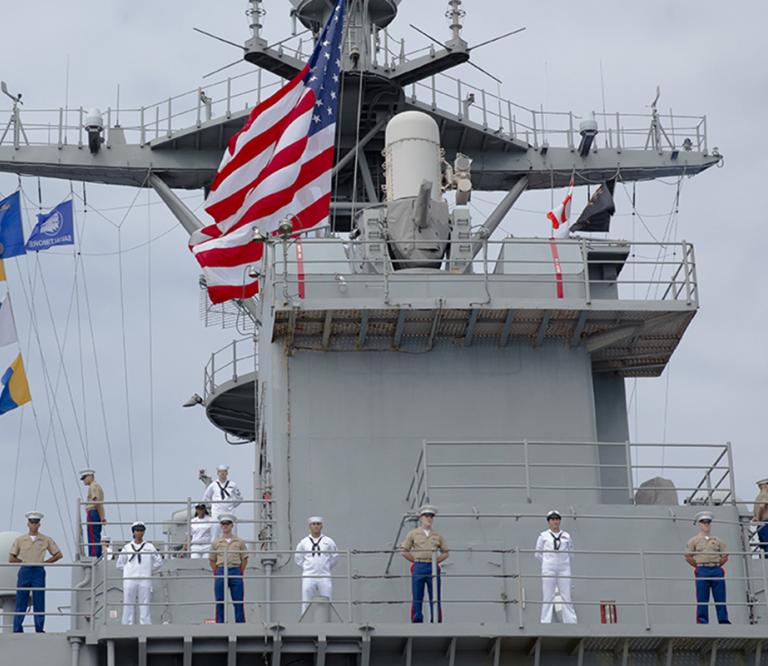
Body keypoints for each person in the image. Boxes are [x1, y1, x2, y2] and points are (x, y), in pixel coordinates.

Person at [8, 511, 62, 633]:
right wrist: (23, 561)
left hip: (38, 570)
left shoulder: (45, 539)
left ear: (39, 524)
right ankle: (17, 628)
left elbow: (58, 554)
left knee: (39, 600)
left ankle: (39, 628)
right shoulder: (20, 540)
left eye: (36, 522)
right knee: (21, 600)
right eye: (31, 522)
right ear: (28, 524)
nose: (33, 525)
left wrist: (46, 563)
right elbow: (11, 558)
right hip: (25, 570)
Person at [400, 504, 449, 623]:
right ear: (421, 518)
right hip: (419, 566)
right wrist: (415, 560)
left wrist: (436, 561)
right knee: (417, 595)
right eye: (426, 516)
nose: (429, 518)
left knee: (435, 596)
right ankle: (417, 619)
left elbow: (445, 552)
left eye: (431, 516)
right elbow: (403, 551)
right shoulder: (413, 534)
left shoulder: (437, 535)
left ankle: (436, 619)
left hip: (432, 567)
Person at [684, 511, 730, 624]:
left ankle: (723, 620)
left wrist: (718, 565)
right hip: (702, 570)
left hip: (716, 570)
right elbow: (688, 556)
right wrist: (698, 565)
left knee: (720, 598)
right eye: (703, 522)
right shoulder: (693, 541)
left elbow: (725, 555)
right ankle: (702, 621)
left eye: (708, 522)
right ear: (699, 524)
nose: (706, 524)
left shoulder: (718, 541)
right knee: (702, 598)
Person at [116, 521, 163, 625]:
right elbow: (119, 564)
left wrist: (148, 570)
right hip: (130, 579)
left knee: (145, 603)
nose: (139, 533)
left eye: (141, 530)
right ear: (133, 532)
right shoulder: (127, 547)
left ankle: (145, 624)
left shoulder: (149, 547)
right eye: (137, 530)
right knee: (128, 602)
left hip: (144, 578)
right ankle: (126, 624)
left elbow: (159, 562)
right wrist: (129, 570)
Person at [535, 510, 577, 624]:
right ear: (549, 522)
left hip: (564, 568)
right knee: (548, 596)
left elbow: (571, 552)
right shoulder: (543, 536)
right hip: (549, 568)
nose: (555, 521)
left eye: (557, 519)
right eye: (552, 519)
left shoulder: (566, 536)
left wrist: (564, 562)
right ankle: (545, 621)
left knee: (566, 595)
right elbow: (538, 553)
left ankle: (571, 621)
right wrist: (547, 562)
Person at [294, 516, 339, 615]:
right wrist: (308, 567)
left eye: (318, 524)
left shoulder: (329, 541)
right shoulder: (303, 542)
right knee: (306, 602)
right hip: (309, 576)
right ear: (309, 526)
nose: (316, 526)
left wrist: (325, 566)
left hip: (324, 576)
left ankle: (328, 622)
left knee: (327, 600)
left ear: (322, 526)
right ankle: (305, 623)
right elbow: (298, 558)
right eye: (313, 524)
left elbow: (335, 556)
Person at [209, 513, 248, 623]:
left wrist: (240, 571)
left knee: (238, 600)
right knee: (220, 600)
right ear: (221, 526)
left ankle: (240, 624)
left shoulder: (239, 542)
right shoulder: (216, 542)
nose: (225, 525)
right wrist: (216, 572)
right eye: (223, 523)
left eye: (228, 523)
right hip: (221, 570)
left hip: (235, 570)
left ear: (232, 525)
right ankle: (220, 623)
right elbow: (212, 559)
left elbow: (244, 558)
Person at [203, 465, 243, 540]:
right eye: (220, 472)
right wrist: (213, 506)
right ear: (218, 473)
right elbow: (206, 497)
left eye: (224, 472)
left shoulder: (232, 485)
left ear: (227, 473)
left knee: (233, 532)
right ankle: (214, 549)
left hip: (229, 511)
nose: (222, 474)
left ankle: (233, 549)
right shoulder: (213, 485)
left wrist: (232, 505)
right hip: (217, 512)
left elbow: (239, 498)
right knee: (215, 531)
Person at [80, 468, 106, 557]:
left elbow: (96, 501)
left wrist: (102, 516)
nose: (83, 480)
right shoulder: (97, 486)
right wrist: (102, 516)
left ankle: (94, 555)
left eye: (85, 477)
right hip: (96, 512)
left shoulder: (93, 486)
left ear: (91, 476)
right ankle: (96, 554)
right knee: (96, 534)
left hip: (93, 512)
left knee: (92, 535)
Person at [753, 478, 768, 557]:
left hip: (761, 525)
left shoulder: (757, 498)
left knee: (763, 546)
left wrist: (757, 518)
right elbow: (762, 506)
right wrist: (759, 518)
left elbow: (754, 515)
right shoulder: (765, 495)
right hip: (766, 523)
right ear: (765, 486)